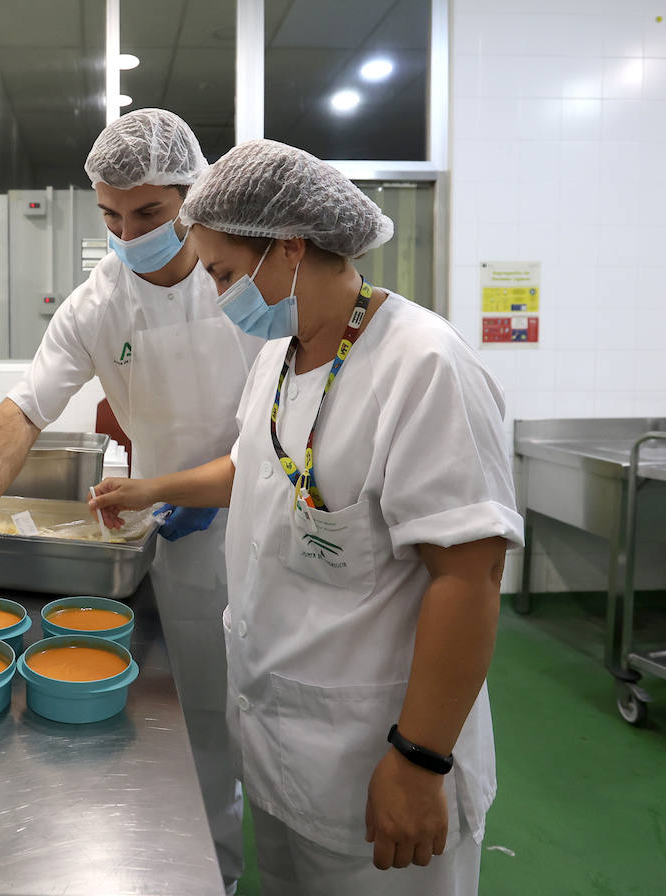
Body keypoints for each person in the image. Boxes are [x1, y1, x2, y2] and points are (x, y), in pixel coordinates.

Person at [89, 139, 523, 896]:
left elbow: (471, 573)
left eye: (224, 273)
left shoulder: (421, 366)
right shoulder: (283, 354)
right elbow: (260, 466)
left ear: (289, 248)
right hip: (285, 749)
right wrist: (152, 488)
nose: (221, 294)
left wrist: (420, 760)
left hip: (376, 757)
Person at [0, 109, 261, 892]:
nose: (129, 233)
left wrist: (223, 481)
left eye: (149, 214)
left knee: (273, 711)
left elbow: (291, 412)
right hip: (174, 538)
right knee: (204, 714)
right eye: (110, 214)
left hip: (267, 518)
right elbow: (23, 410)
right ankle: (221, 873)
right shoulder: (100, 301)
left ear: (193, 198)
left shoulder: (240, 284)